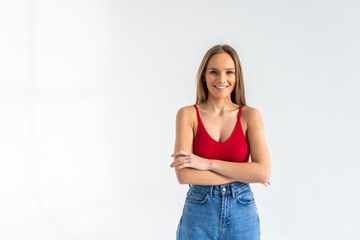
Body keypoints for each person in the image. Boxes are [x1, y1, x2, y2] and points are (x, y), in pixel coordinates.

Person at [170, 44, 271, 239]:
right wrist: (244, 174)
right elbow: (184, 175)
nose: (222, 79)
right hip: (199, 210)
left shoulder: (250, 116)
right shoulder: (188, 115)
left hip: (242, 210)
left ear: (236, 76)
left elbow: (263, 172)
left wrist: (206, 163)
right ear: (204, 76)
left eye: (229, 72)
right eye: (214, 72)